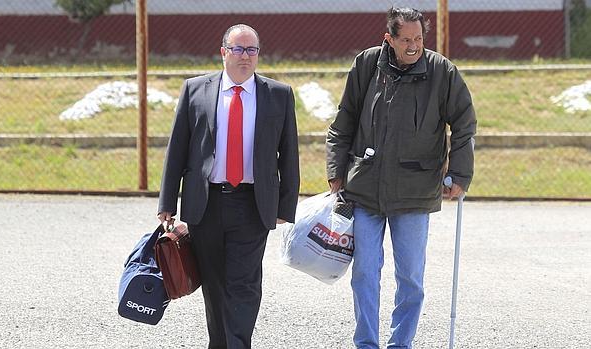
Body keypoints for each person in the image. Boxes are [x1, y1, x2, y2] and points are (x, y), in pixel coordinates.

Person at [326, 7, 476, 349]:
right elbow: (343, 121)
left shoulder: (442, 71)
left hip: (415, 190)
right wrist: (336, 173)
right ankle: (366, 343)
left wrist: (460, 173)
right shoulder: (366, 65)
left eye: (419, 39)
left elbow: (465, 123)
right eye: (405, 39)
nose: (413, 46)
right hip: (364, 188)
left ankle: (400, 344)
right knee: (364, 273)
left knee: (410, 278)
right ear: (389, 39)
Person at [157, 24, 300, 349]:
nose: (245, 56)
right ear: (224, 52)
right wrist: (167, 201)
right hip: (206, 204)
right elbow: (177, 147)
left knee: (244, 285)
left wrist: (285, 207)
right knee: (214, 284)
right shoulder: (195, 91)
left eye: (252, 50)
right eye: (238, 49)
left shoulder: (277, 95)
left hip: (252, 204)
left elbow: (289, 154)